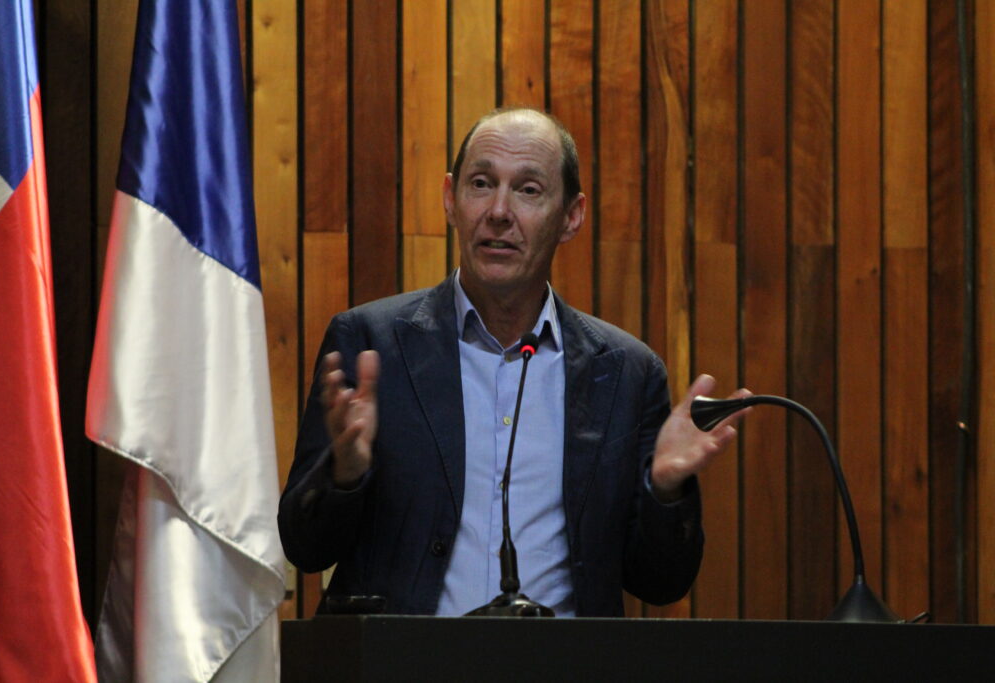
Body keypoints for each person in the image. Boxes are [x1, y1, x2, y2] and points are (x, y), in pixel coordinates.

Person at [278, 108, 748, 617]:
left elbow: (660, 582)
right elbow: (305, 549)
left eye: (528, 190)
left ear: (572, 216)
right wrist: (344, 475)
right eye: (481, 183)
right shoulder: (372, 345)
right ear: (450, 199)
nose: (499, 211)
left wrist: (664, 490)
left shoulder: (626, 374)